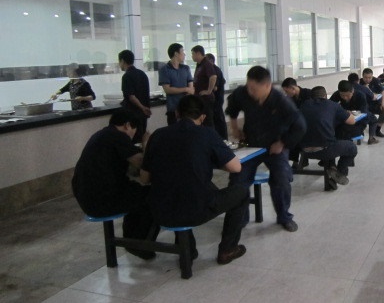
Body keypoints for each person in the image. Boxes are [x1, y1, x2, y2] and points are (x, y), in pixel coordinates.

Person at [140, 95, 248, 264]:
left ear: (177, 113)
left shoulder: (157, 135)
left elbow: (144, 178)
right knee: (241, 192)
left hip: (160, 211)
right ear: (202, 117)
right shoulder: (207, 134)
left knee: (180, 184)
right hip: (195, 211)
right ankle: (227, 249)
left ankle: (188, 250)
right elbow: (236, 167)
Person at [226, 66, 306, 232]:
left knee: (281, 178)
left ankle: (284, 216)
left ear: (267, 85)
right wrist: (234, 127)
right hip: (251, 144)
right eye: (248, 87)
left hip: (274, 146)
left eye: (254, 89)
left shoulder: (281, 101)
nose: (250, 91)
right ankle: (240, 218)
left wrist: (282, 143)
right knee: (238, 179)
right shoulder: (243, 93)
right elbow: (232, 105)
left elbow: (300, 126)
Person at [72, 109, 157, 260]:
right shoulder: (117, 136)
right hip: (101, 199)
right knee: (154, 196)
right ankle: (139, 244)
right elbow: (142, 163)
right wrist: (146, 144)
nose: (133, 135)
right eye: (135, 130)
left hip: (86, 196)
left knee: (137, 193)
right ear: (127, 125)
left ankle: (133, 241)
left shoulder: (102, 134)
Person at [299, 86, 358, 189]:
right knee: (351, 147)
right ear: (325, 96)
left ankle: (332, 167)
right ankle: (340, 173)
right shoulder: (332, 105)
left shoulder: (303, 106)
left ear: (311, 97)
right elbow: (352, 121)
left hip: (303, 151)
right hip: (326, 150)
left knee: (329, 139)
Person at [330, 80, 378, 144]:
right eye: (342, 95)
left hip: (359, 115)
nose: (345, 98)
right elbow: (329, 106)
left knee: (373, 119)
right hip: (345, 116)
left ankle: (371, 138)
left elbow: (364, 111)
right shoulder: (337, 94)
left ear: (352, 91)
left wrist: (353, 113)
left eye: (347, 95)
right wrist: (343, 112)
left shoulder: (360, 95)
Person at [118, 50, 151, 143]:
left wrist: (142, 107)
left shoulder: (126, 76)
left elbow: (131, 97)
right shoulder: (142, 74)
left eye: (119, 61)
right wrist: (145, 108)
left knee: (133, 141)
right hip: (143, 115)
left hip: (132, 114)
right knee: (142, 139)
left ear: (122, 61)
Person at [158, 43, 194, 125]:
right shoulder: (164, 69)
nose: (184, 54)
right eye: (182, 52)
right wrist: (185, 89)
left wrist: (188, 91)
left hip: (187, 109)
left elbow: (191, 89)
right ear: (176, 54)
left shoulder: (186, 68)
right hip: (173, 109)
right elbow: (167, 89)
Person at [191, 45, 218, 129]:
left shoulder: (206, 63)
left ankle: (211, 137)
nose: (192, 56)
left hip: (206, 99)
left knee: (208, 121)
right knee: (202, 121)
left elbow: (213, 77)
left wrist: (209, 91)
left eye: (193, 54)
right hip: (200, 98)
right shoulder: (199, 64)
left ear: (198, 53)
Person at [356, 69, 384, 137]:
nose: (367, 79)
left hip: (374, 104)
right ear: (362, 76)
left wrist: (383, 103)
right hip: (363, 105)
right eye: (365, 77)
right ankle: (359, 131)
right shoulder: (359, 82)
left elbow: (383, 92)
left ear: (372, 76)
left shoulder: (376, 81)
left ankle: (377, 130)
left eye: (369, 77)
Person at [205, 53, 228, 140]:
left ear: (211, 61)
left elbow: (215, 87)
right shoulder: (212, 69)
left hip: (217, 100)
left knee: (218, 120)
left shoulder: (215, 70)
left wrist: (206, 90)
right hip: (215, 100)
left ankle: (223, 139)